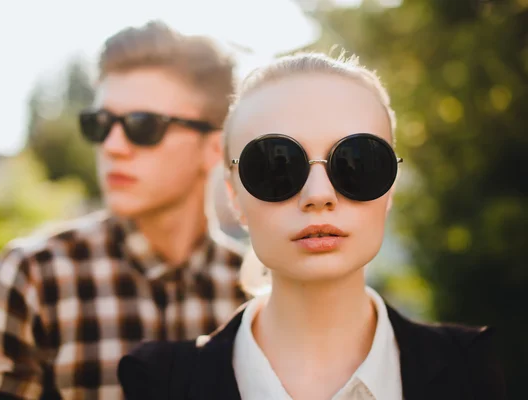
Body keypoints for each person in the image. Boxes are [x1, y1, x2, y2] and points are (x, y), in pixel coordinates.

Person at [118, 52, 506, 400]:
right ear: (234, 196)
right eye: (276, 166)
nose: (318, 195)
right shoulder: (156, 383)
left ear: (389, 190)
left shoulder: (472, 370)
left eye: (358, 161)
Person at [0, 20, 248, 399]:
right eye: (101, 123)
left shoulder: (255, 292)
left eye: (143, 125)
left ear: (214, 147)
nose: (112, 146)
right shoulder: (36, 277)